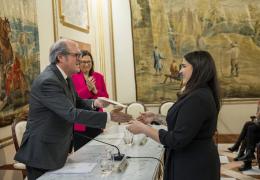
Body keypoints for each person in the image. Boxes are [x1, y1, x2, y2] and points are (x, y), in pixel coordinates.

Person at [14, 39, 132, 180]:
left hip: (56, 149)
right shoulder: (48, 81)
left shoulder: (65, 77)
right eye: (76, 55)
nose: (80, 59)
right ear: (60, 57)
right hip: (42, 153)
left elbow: (77, 102)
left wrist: (95, 102)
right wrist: (109, 117)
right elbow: (71, 113)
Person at [127, 50, 221, 180]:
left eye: (184, 66)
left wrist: (144, 129)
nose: (180, 71)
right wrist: (155, 117)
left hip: (193, 166)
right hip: (192, 160)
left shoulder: (197, 98)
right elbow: (185, 124)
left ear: (198, 68)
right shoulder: (198, 93)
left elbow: (177, 139)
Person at [71, 50, 109, 151]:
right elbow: (74, 98)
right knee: (82, 153)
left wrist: (95, 90)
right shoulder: (72, 77)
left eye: (89, 62)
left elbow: (106, 98)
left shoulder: (99, 77)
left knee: (99, 151)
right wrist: (87, 89)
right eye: (83, 62)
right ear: (78, 63)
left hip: (96, 120)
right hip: (81, 120)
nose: (87, 64)